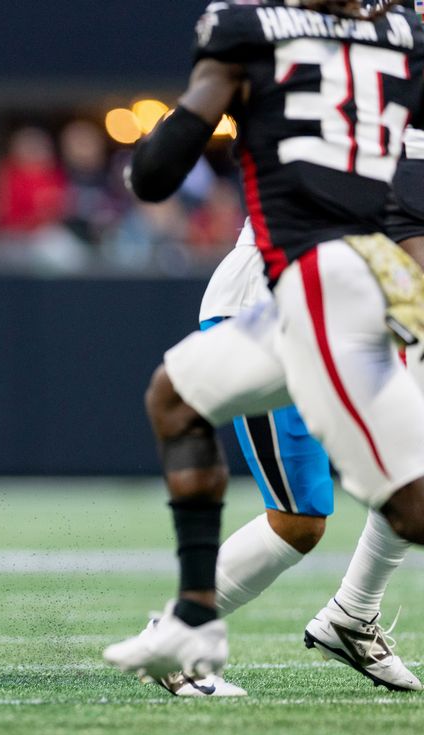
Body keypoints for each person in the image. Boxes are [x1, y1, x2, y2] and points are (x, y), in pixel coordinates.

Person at [103, 0, 424, 682]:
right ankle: (186, 629)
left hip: (341, 286)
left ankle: (239, 622)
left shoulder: (272, 32)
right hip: (289, 293)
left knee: (369, 504)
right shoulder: (396, 40)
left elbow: (155, 172)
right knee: (307, 512)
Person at [149, 217, 421, 697]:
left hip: (352, 305)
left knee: (412, 468)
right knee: (298, 519)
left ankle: (353, 615)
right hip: (277, 302)